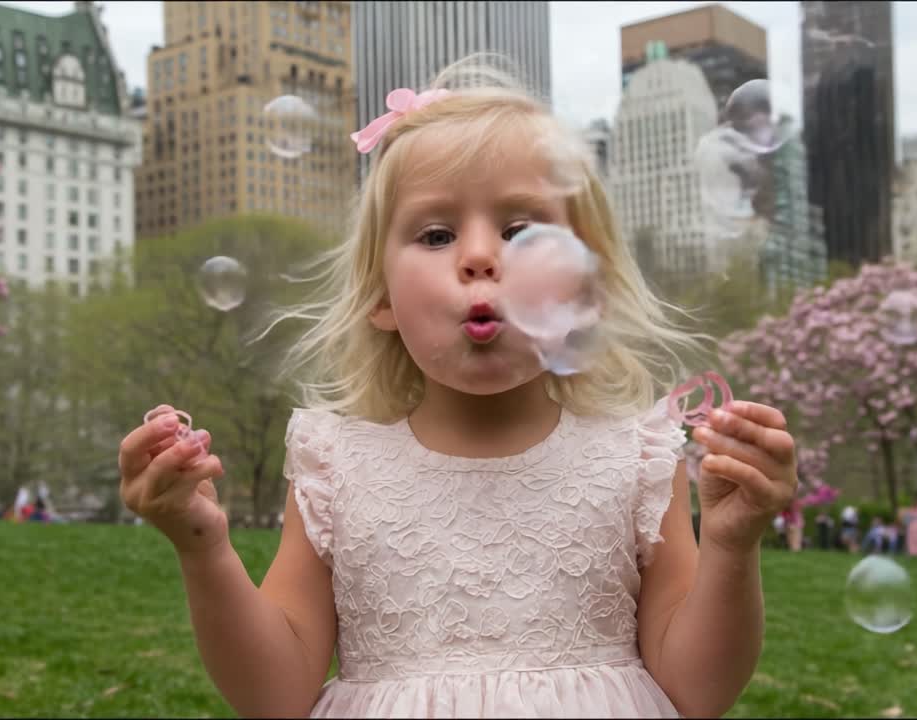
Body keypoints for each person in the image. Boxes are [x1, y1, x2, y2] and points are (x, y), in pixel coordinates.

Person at [117, 57, 799, 719]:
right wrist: (202, 548)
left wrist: (733, 547)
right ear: (380, 297)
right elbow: (276, 696)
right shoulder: (337, 464)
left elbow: (697, 692)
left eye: (521, 229)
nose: (480, 256)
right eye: (437, 233)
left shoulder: (636, 458)